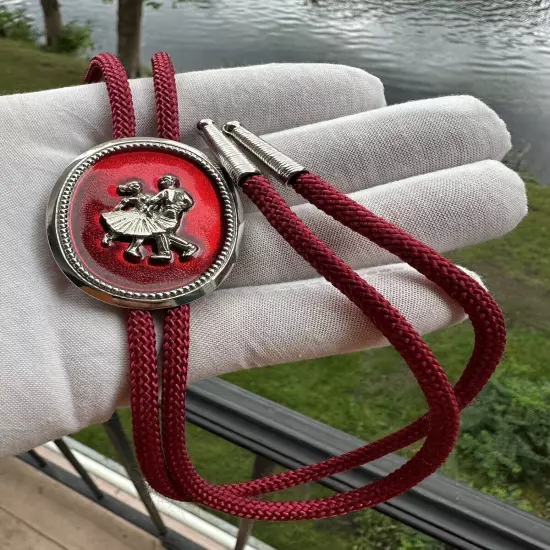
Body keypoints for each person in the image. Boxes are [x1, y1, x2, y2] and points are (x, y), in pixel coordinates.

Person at [0, 62, 526, 457]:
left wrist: (165, 203)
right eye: (152, 182)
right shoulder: (144, 193)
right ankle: (157, 251)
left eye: (154, 182)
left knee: (164, 241)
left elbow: (174, 202)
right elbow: (149, 202)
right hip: (129, 241)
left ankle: (159, 251)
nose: (155, 185)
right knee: (154, 240)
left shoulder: (172, 194)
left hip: (159, 237)